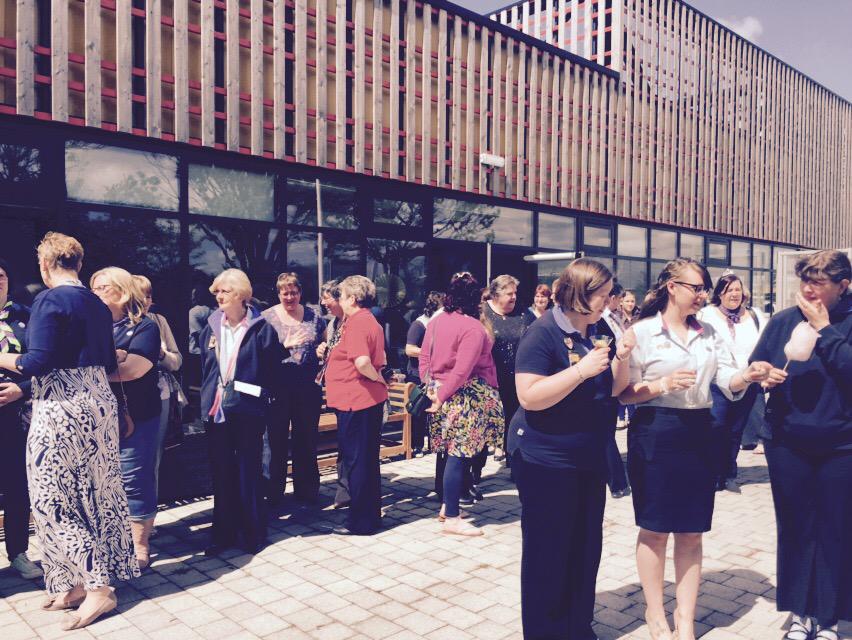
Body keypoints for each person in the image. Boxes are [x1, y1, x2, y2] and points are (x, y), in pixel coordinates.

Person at [618, 257, 772, 640]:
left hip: (701, 431)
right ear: (672, 287)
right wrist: (661, 385)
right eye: (697, 287)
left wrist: (747, 376)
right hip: (655, 431)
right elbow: (622, 393)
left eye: (705, 288)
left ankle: (685, 620)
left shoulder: (709, 332)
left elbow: (725, 379)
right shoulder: (643, 332)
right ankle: (656, 615)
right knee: (654, 530)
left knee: (691, 531)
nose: (703, 294)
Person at [0, 233, 137, 630]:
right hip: (97, 403)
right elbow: (110, 360)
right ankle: (77, 582)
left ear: (45, 265)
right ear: (78, 263)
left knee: (51, 497)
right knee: (97, 492)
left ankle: (98, 588)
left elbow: (36, 362)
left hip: (61, 407)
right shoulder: (96, 302)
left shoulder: (49, 299)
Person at [509, 259, 634, 638]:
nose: (610, 300)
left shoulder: (599, 330)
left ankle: (577, 625)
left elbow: (613, 389)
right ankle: (546, 630)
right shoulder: (542, 333)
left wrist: (622, 358)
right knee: (549, 550)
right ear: (581, 293)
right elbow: (528, 396)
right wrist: (580, 370)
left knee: (584, 546)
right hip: (545, 459)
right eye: (604, 293)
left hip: (587, 456)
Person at [750, 250, 851, 640]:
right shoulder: (782, 321)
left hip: (842, 446)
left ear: (844, 286)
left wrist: (824, 330)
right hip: (787, 441)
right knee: (794, 527)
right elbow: (757, 363)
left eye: (819, 282)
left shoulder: (845, 322)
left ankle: (827, 616)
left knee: (834, 529)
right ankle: (799, 612)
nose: (808, 289)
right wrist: (763, 375)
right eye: (805, 280)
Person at [199, 269, 286, 555]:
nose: (218, 296)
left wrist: (263, 401)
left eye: (223, 291)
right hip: (217, 410)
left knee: (248, 471)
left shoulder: (262, 328)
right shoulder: (211, 327)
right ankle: (222, 534)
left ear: (239, 294)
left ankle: (252, 532)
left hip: (248, 410)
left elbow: (274, 371)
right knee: (221, 472)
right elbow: (205, 367)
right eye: (217, 292)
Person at [420, 273, 504, 536]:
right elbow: (462, 370)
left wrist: (431, 389)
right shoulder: (473, 328)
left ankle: (449, 507)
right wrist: (442, 395)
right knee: (459, 456)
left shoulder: (436, 322)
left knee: (450, 454)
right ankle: (453, 517)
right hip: (464, 398)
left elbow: (424, 357)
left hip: (441, 394)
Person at [91, 267, 162, 571]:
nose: (94, 294)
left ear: (121, 291)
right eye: (92, 288)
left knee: (134, 479)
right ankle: (112, 541)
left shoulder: (145, 327)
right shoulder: (89, 327)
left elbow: (132, 370)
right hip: (96, 418)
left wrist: (101, 365)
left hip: (136, 416)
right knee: (102, 482)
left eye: (102, 288)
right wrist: (113, 358)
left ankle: (139, 546)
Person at [324, 275, 389, 535]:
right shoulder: (367, 320)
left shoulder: (358, 322)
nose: (338, 300)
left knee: (357, 462)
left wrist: (377, 378)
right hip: (361, 401)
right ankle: (369, 517)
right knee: (366, 461)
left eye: (340, 295)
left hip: (357, 401)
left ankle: (361, 522)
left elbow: (362, 362)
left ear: (352, 298)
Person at [698, 273, 766, 493]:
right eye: (729, 290)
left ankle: (729, 471)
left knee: (736, 429)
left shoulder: (755, 316)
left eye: (737, 289)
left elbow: (765, 344)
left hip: (749, 381)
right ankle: (713, 472)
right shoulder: (706, 315)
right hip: (716, 381)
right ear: (720, 293)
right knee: (716, 426)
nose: (734, 294)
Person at [262, 272, 326, 506]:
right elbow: (260, 353)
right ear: (278, 293)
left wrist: (322, 349)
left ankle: (307, 492)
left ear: (300, 292)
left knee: (306, 439)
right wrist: (283, 345)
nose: (290, 297)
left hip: (307, 387)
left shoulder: (314, 316)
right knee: (275, 442)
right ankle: (273, 494)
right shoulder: (266, 317)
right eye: (285, 292)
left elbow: (323, 341)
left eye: (294, 292)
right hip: (277, 388)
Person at [0, 259, 42, 580]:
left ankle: (18, 551)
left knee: (18, 486)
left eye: (1, 275)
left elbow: (46, 364)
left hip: (17, 417)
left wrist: (22, 390)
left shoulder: (25, 316)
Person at [134, 275, 185, 512]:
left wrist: (163, 355)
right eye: (139, 294)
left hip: (159, 395)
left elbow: (177, 362)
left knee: (152, 458)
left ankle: (147, 516)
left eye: (148, 295)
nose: (145, 300)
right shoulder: (115, 322)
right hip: (125, 397)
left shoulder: (158, 321)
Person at [478, 274, 535, 476]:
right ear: (495, 295)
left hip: (517, 379)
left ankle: (516, 465)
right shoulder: (482, 314)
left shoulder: (524, 314)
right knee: (485, 426)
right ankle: (476, 471)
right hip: (489, 381)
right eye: (509, 294)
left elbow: (537, 335)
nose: (513, 297)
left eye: (515, 293)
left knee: (516, 423)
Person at [316, 279, 350, 509]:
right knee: (344, 443)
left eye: (327, 297)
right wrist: (322, 351)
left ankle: (347, 492)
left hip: (354, 394)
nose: (323, 302)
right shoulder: (332, 325)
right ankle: (345, 490)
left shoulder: (353, 322)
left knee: (351, 445)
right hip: (338, 393)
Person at [404, 291, 445, 457]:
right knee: (419, 410)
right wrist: (429, 352)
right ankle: (417, 445)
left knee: (432, 408)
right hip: (417, 375)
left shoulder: (439, 323)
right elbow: (409, 349)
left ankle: (433, 442)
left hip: (433, 374)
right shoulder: (419, 324)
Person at [602, 281, 631, 498]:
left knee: (607, 432)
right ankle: (618, 482)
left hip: (619, 374)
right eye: (618, 298)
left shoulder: (614, 317)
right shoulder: (601, 318)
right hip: (607, 377)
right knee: (605, 435)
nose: (620, 303)